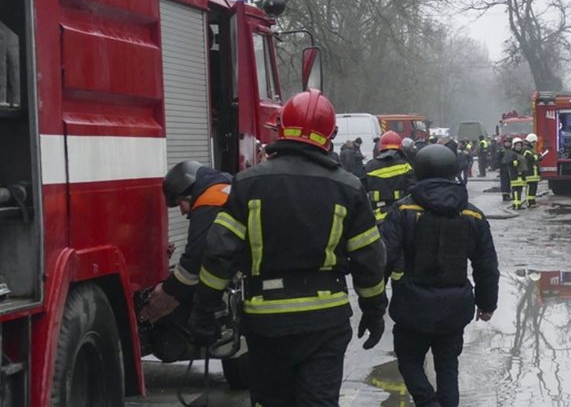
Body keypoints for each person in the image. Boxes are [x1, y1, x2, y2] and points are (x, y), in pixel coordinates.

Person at [189, 89, 387, 406]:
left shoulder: (247, 183)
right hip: (326, 323)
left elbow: (218, 253)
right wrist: (374, 311)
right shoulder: (348, 187)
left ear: (280, 129)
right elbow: (370, 259)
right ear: (331, 135)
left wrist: (203, 311)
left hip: (266, 324)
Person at [380, 144, 499, 407]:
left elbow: (384, 260)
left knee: (409, 361)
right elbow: (486, 264)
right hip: (455, 309)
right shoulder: (472, 214)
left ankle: (427, 402)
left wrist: (375, 303)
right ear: (454, 171)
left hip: (413, 306)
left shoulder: (403, 211)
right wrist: (487, 303)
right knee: (448, 368)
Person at [140, 161, 232, 329]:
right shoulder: (225, 188)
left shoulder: (209, 201)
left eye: (179, 202)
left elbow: (195, 259)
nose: (182, 212)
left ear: (188, 192)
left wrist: (168, 291)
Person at [364, 131, 416, 223]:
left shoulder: (369, 166)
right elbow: (413, 189)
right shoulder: (404, 166)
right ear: (400, 148)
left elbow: (361, 190)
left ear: (380, 147)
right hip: (400, 214)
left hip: (376, 217)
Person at [506, 138, 529, 210]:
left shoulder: (520, 154)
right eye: (517, 145)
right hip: (515, 175)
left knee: (519, 190)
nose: (519, 147)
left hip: (521, 175)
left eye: (520, 145)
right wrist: (514, 163)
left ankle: (518, 205)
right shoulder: (512, 154)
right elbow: (509, 163)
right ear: (514, 146)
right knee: (516, 190)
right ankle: (516, 205)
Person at [524, 133, 541, 208]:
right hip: (529, 172)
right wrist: (537, 157)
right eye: (534, 142)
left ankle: (532, 202)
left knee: (533, 188)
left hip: (533, 172)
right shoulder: (526, 149)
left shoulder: (530, 149)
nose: (534, 144)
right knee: (530, 188)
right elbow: (529, 158)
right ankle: (529, 202)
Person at [497, 136, 512, 201]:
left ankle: (508, 194)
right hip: (503, 167)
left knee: (509, 182)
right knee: (504, 182)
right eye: (506, 142)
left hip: (510, 167)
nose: (507, 144)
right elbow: (497, 159)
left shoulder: (511, 150)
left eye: (509, 142)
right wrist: (497, 167)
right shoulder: (501, 150)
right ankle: (505, 196)